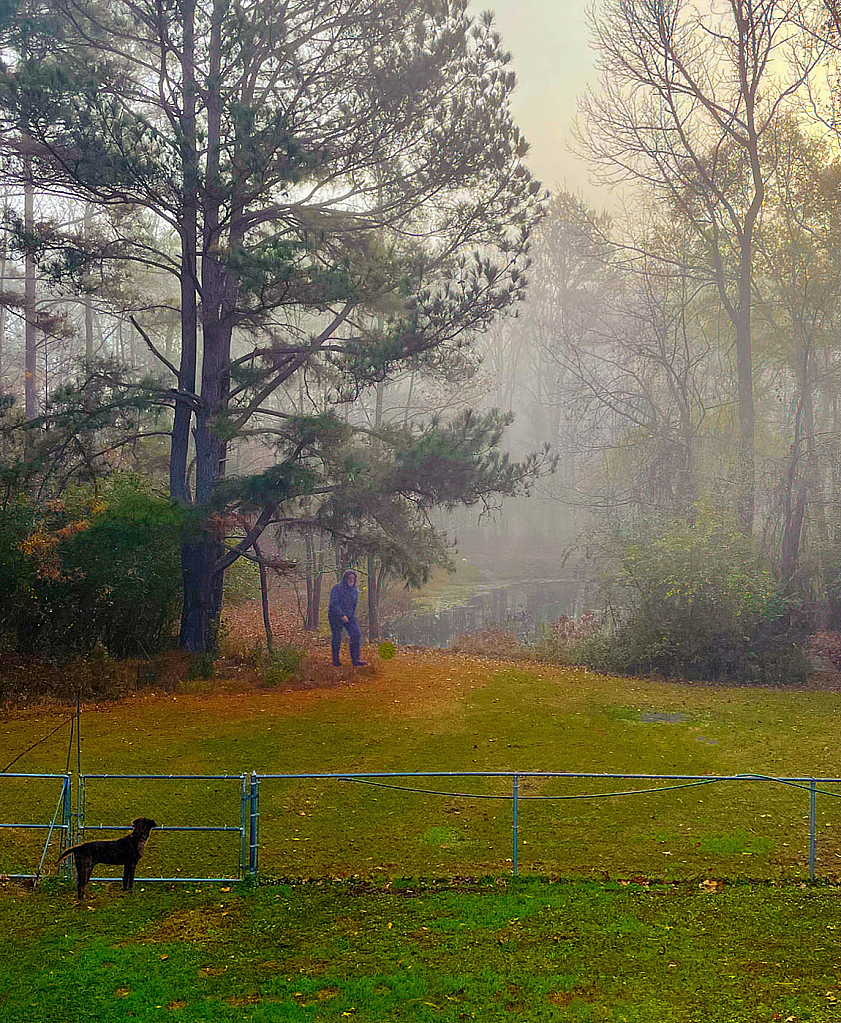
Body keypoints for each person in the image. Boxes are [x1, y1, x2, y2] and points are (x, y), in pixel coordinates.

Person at [328, 569, 367, 667]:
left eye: (353, 578)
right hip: (335, 616)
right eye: (349, 577)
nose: (351, 579)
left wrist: (350, 615)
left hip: (350, 616)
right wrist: (342, 615)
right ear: (345, 578)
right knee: (337, 637)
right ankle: (335, 661)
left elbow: (353, 604)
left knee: (356, 634)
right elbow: (333, 604)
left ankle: (356, 660)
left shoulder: (355, 590)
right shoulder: (337, 588)